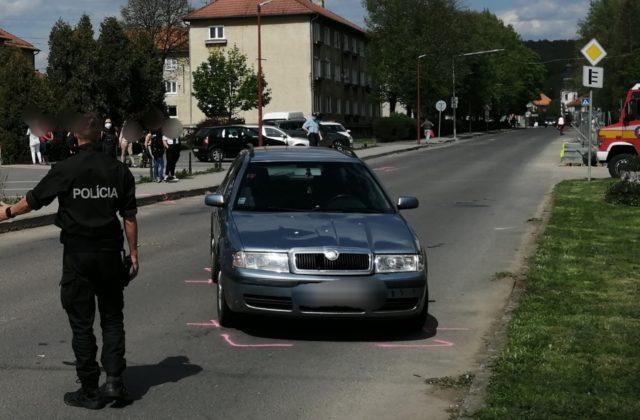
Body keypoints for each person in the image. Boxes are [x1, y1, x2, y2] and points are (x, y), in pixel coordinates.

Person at [0, 113, 139, 410]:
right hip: (110, 255)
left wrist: (6, 213)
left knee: (81, 323)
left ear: (76, 138)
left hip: (78, 255)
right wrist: (134, 254)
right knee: (113, 319)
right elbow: (129, 217)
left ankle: (89, 391)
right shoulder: (119, 171)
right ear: (102, 137)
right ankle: (115, 382)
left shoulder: (65, 169)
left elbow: (35, 199)